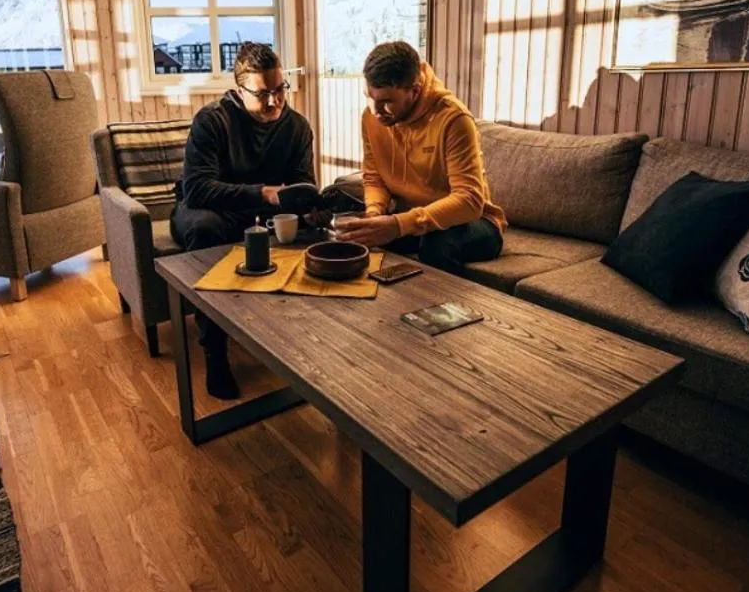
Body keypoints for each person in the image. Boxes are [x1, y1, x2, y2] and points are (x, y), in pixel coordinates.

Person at [171, 42, 316, 400]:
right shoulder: (212, 121)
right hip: (207, 210)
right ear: (239, 91)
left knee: (307, 229)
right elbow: (197, 189)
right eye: (263, 93)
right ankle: (214, 352)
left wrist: (311, 205)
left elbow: (302, 184)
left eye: (280, 89)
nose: (274, 101)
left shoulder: (297, 127)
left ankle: (299, 339)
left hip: (262, 212)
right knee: (205, 230)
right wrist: (262, 193)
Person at [337, 40, 505, 273]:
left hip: (474, 222)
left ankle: (444, 299)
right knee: (356, 236)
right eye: (369, 97)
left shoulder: (454, 119)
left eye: (386, 102)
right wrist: (374, 215)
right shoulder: (371, 117)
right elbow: (375, 177)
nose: (375, 110)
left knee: (435, 244)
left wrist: (398, 224)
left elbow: (469, 200)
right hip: (415, 219)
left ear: (415, 91)